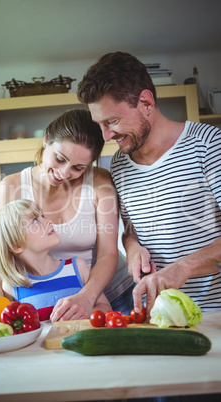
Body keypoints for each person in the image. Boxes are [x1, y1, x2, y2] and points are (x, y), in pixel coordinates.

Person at [77, 51, 221, 322]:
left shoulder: (210, 145)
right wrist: (132, 249)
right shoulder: (119, 164)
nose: (107, 136)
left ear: (145, 102)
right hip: (154, 314)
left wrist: (182, 268)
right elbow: (131, 229)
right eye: (100, 125)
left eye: (112, 121)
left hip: (214, 313)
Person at [0, 108, 135, 321]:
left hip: (114, 294)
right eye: (59, 158)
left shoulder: (100, 182)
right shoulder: (11, 186)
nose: (65, 173)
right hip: (46, 299)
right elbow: (1, 255)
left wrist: (86, 297)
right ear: (47, 139)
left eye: (78, 167)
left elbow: (108, 254)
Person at [0, 199, 111, 320]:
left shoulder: (78, 268)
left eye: (42, 216)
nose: (49, 221)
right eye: (35, 221)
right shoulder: (12, 287)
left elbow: (106, 308)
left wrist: (89, 313)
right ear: (16, 245)